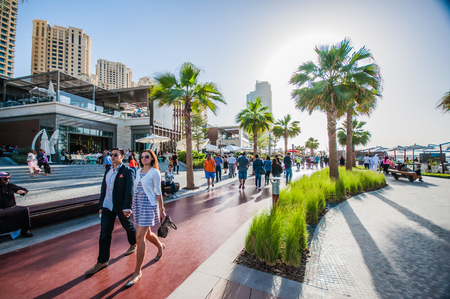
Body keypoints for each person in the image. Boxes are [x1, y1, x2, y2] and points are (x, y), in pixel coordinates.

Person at [85, 148, 137, 276]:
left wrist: (127, 207)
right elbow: (104, 188)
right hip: (107, 206)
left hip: (121, 206)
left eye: (115, 155)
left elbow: (129, 191)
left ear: (122, 156)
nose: (112, 157)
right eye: (111, 155)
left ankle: (134, 242)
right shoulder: (108, 170)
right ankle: (102, 261)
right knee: (104, 232)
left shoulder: (127, 171)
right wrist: (101, 205)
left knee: (128, 226)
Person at [126, 149, 166, 287]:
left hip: (149, 204)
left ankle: (137, 271)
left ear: (152, 158)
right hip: (138, 204)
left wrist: (162, 209)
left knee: (139, 237)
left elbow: (158, 192)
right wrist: (131, 206)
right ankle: (160, 246)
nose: (144, 158)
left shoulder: (155, 172)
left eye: (147, 156)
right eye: (142, 156)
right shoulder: (137, 171)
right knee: (147, 233)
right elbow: (135, 188)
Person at [0, 172, 33, 238]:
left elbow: (24, 189)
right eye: (5, 179)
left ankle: (25, 231)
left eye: (8, 178)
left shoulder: (10, 186)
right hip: (1, 209)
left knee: (25, 209)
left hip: (12, 207)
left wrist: (23, 192)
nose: (7, 180)